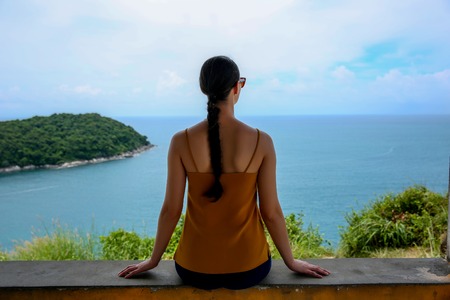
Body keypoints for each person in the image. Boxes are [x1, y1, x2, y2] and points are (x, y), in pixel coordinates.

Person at [118, 55, 330, 289]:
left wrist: (153, 260)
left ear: (203, 89)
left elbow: (171, 210)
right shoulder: (262, 141)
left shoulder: (180, 141)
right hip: (249, 268)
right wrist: (290, 261)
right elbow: (270, 212)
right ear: (237, 86)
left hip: (193, 269)